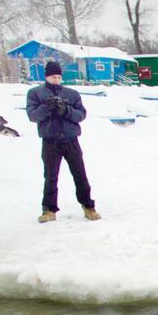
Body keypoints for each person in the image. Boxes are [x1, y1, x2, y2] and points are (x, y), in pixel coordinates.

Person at [26, 60, 101, 224]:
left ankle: (88, 206)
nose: (56, 80)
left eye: (59, 77)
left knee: (80, 174)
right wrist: (47, 108)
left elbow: (81, 115)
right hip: (50, 141)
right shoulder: (35, 93)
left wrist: (65, 110)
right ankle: (49, 210)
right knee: (51, 176)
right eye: (53, 77)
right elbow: (32, 116)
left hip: (70, 140)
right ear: (47, 77)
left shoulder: (71, 94)